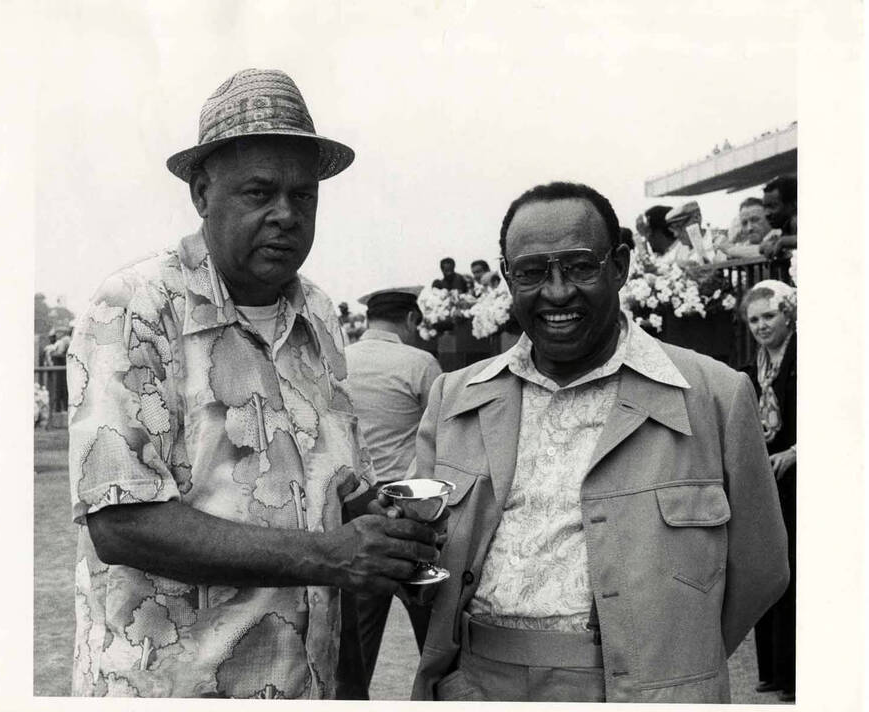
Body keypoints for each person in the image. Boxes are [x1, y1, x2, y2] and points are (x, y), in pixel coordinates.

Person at [66, 68, 440, 699]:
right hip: (174, 687)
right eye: (259, 192)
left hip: (305, 683)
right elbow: (120, 525)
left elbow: (335, 482)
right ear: (201, 191)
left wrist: (378, 522)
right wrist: (329, 555)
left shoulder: (319, 315)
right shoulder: (136, 307)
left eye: (305, 197)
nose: (286, 216)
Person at [409, 181, 789, 703]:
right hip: (479, 686)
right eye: (532, 272)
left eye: (581, 266)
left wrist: (675, 662)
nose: (557, 291)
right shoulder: (454, 397)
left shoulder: (715, 396)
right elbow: (420, 558)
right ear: (506, 277)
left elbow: (762, 566)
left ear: (621, 265)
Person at [336, 287, 444, 699]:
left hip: (356, 506)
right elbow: (441, 435)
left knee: (359, 639)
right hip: (410, 509)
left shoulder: (341, 359)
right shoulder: (419, 363)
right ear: (412, 321)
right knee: (432, 636)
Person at [740, 280, 797, 703]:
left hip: (799, 472)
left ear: (788, 315)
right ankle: (773, 671)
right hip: (768, 475)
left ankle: (795, 675)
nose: (761, 325)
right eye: (754, 319)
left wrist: (797, 451)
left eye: (769, 316)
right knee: (769, 566)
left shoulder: (807, 358)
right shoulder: (751, 365)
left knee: (797, 573)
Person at [759, 175, 797, 258]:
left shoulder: (795, 221)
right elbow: (761, 248)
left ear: (793, 204)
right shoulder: (785, 226)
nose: (767, 213)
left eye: (773, 206)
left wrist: (783, 242)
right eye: (765, 207)